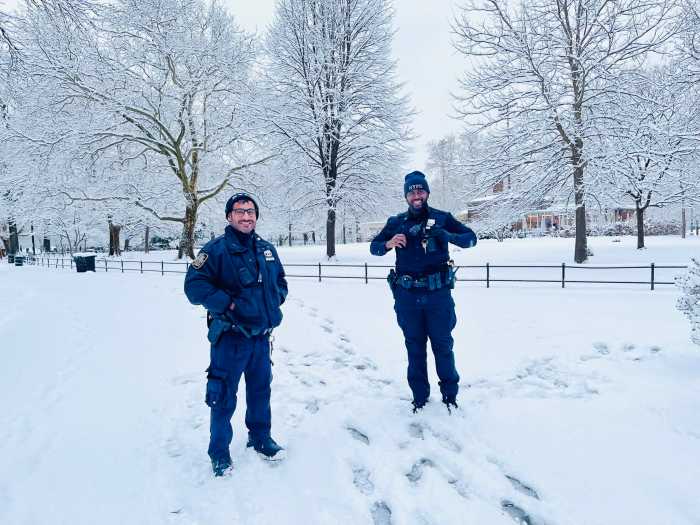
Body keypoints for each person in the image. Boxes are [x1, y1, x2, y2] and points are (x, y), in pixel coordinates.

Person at [184, 193, 288, 476]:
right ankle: (219, 453)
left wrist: (274, 298)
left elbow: (280, 281)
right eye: (239, 211)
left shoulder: (266, 248)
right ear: (229, 216)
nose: (246, 216)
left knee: (260, 392)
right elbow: (194, 287)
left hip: (260, 339)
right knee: (223, 397)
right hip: (230, 339)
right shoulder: (215, 250)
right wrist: (228, 304)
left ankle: (260, 437)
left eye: (250, 211)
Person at [370, 171, 477, 413]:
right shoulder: (396, 222)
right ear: (406, 196)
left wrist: (447, 235)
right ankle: (419, 397)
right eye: (412, 191)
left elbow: (471, 238)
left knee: (443, 345)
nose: (416, 195)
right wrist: (388, 243)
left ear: (427, 193)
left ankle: (450, 395)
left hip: (438, 296)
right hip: (407, 297)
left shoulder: (441, 218)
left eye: (420, 191)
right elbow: (374, 248)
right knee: (414, 347)